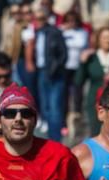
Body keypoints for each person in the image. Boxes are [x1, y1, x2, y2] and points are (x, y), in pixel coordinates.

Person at [75, 25, 109, 137]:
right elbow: (78, 81)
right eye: (105, 37)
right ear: (98, 39)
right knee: (95, 132)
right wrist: (82, 62)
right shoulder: (91, 57)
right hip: (95, 101)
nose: (108, 40)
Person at [27, 4, 66, 141]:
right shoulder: (36, 33)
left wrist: (54, 68)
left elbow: (62, 54)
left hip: (53, 73)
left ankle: (56, 138)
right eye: (36, 18)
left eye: (42, 18)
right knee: (45, 107)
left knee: (54, 107)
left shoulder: (54, 32)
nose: (39, 21)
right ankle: (50, 137)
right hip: (41, 72)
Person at [59, 8, 88, 132]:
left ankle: (77, 118)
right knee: (64, 95)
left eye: (74, 21)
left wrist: (68, 40)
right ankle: (63, 122)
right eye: (69, 21)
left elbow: (81, 44)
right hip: (64, 66)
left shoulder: (82, 32)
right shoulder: (61, 31)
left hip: (77, 67)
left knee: (77, 93)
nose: (71, 23)